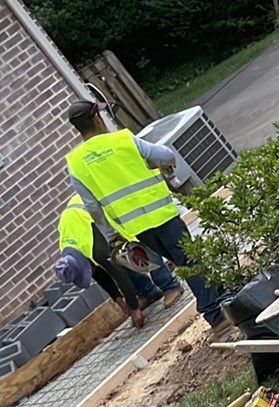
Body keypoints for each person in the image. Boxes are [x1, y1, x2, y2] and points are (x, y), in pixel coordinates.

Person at [62, 99, 221, 325]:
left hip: (137, 229)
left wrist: (111, 235)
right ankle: (215, 315)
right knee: (188, 260)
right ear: (97, 117)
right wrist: (158, 166)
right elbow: (164, 156)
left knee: (183, 260)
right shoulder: (122, 139)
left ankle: (220, 292)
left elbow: (93, 207)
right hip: (162, 214)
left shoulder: (76, 163)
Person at [54, 188, 178, 328]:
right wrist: (118, 300)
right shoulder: (71, 251)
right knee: (119, 258)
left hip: (114, 209)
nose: (91, 273)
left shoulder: (94, 248)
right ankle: (148, 292)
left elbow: (118, 274)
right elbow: (100, 276)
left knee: (139, 252)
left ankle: (170, 286)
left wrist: (134, 308)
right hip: (93, 222)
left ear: (84, 263)